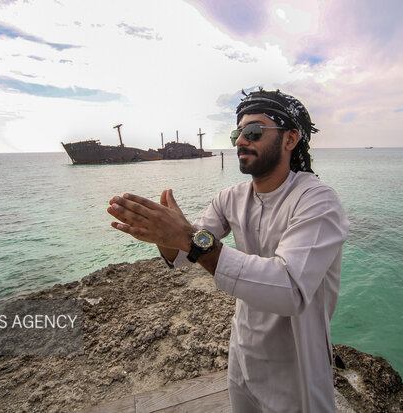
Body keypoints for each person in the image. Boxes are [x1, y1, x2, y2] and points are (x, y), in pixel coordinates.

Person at [107, 88, 349, 412]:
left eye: (253, 131)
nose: (239, 141)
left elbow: (288, 288)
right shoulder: (230, 198)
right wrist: (164, 235)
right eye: (237, 132)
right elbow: (182, 256)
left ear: (290, 139)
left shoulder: (318, 201)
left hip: (297, 370)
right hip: (243, 356)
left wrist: (188, 238)